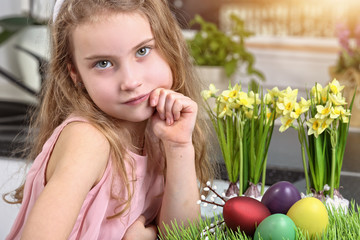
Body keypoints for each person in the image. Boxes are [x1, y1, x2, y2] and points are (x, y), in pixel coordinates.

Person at [5, 0, 214, 239]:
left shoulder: (159, 132)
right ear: (76, 74)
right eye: (103, 63)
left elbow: (183, 236)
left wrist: (178, 147)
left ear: (169, 44)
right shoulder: (88, 140)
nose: (130, 81)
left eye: (142, 51)